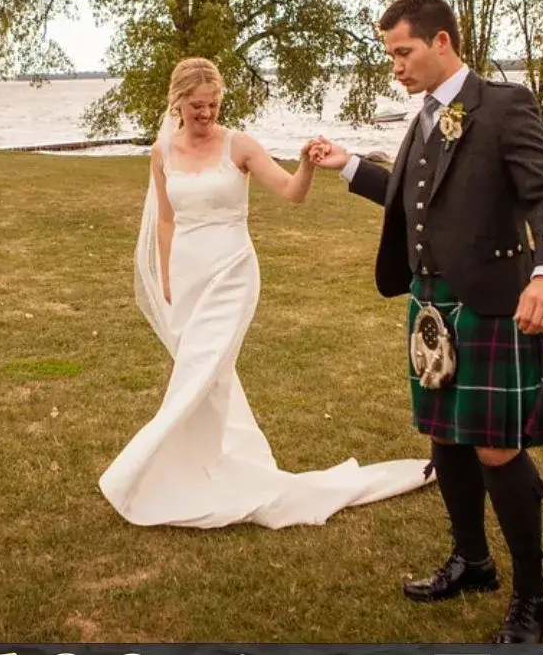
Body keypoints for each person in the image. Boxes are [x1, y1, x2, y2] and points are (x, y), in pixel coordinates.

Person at [309, 0, 543, 643]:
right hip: (430, 304)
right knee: (446, 437)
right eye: (388, 54)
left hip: (486, 301)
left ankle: (529, 591)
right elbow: (410, 200)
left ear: (441, 42)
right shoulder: (423, 116)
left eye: (401, 51)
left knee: (494, 445)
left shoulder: (502, 105)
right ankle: (472, 561)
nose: (394, 65)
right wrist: (347, 165)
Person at [98, 57, 435, 529]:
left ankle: (147, 470)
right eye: (197, 105)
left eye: (213, 104)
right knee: (210, 376)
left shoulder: (239, 145)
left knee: (200, 368)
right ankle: (202, 467)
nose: (206, 114)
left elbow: (291, 193)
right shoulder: (162, 152)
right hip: (189, 274)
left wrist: (305, 165)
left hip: (233, 272)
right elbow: (168, 220)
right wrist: (168, 276)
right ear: (178, 102)